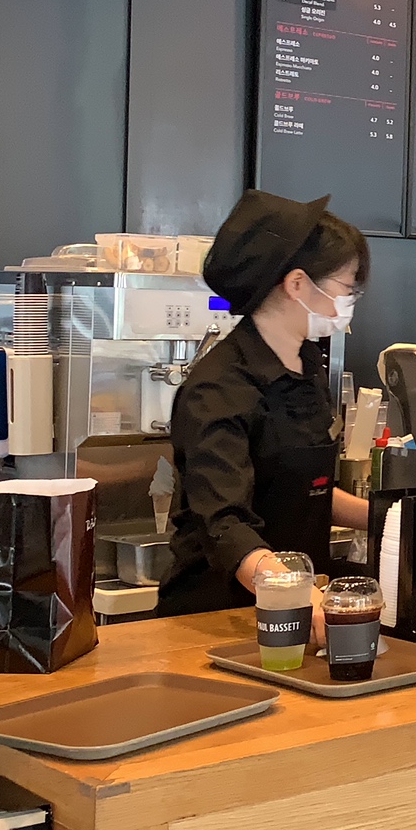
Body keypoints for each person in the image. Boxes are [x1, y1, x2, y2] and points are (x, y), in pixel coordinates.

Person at [158, 191, 371, 641]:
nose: (351, 300)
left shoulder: (307, 367)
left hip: (296, 614)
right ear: (297, 284)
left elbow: (304, 490)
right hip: (216, 618)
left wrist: (389, 520)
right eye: (347, 288)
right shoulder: (218, 390)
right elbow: (225, 524)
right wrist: (291, 590)